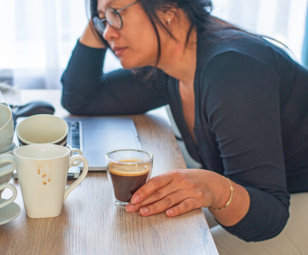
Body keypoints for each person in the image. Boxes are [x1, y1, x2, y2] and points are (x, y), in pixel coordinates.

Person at [61, 0, 308, 253]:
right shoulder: (171, 67)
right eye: (102, 21)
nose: (107, 33)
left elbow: (268, 218)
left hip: (291, 202)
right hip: (265, 199)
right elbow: (81, 97)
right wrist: (100, 17)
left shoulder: (232, 72)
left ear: (168, 8)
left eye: (116, 14)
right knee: (138, 236)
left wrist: (215, 189)